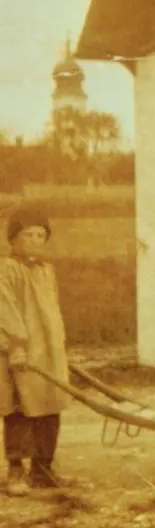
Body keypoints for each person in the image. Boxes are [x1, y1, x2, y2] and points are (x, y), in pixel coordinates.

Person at [1, 205, 71, 495]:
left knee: (50, 405)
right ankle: (16, 469)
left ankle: (43, 468)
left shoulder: (46, 271)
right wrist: (16, 346)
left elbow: (51, 310)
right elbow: (5, 310)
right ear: (13, 239)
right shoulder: (7, 269)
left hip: (48, 351)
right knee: (20, 407)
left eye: (41, 235)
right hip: (20, 353)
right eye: (28, 235)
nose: (35, 241)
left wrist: (57, 344)